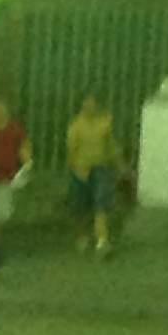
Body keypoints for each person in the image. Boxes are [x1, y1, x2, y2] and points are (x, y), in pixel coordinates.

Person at [65, 93, 127, 256]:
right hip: (81, 169)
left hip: (101, 168)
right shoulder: (76, 125)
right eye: (87, 103)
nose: (90, 106)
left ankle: (102, 240)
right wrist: (74, 169)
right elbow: (71, 149)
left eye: (92, 103)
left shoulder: (105, 122)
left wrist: (120, 165)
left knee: (101, 204)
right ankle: (83, 236)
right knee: (82, 206)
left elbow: (111, 145)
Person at [0, 99, 30, 231]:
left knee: (2, 212)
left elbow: (24, 148)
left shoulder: (15, 129)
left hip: (7, 176)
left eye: (1, 110)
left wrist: (26, 165)